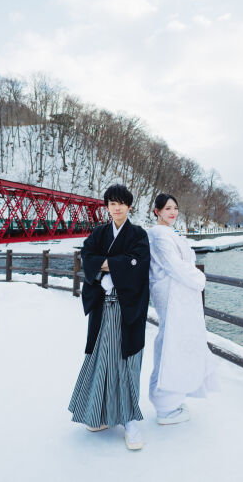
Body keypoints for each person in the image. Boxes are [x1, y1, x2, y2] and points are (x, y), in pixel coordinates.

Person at [68, 184, 151, 451]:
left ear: (129, 206)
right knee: (102, 359)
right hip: (103, 308)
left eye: (122, 203)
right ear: (106, 207)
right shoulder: (100, 232)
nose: (117, 207)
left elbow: (138, 264)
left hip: (127, 308)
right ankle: (100, 415)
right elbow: (87, 255)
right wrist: (118, 263)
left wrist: (106, 264)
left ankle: (129, 421)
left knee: (126, 362)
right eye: (112, 203)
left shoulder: (138, 234)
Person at [147, 193, 219, 425]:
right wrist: (200, 278)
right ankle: (166, 405)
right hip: (171, 294)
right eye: (167, 208)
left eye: (175, 208)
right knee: (173, 343)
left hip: (176, 293)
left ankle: (171, 398)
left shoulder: (169, 232)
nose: (173, 212)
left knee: (176, 341)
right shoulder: (159, 235)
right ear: (157, 211)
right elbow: (174, 265)